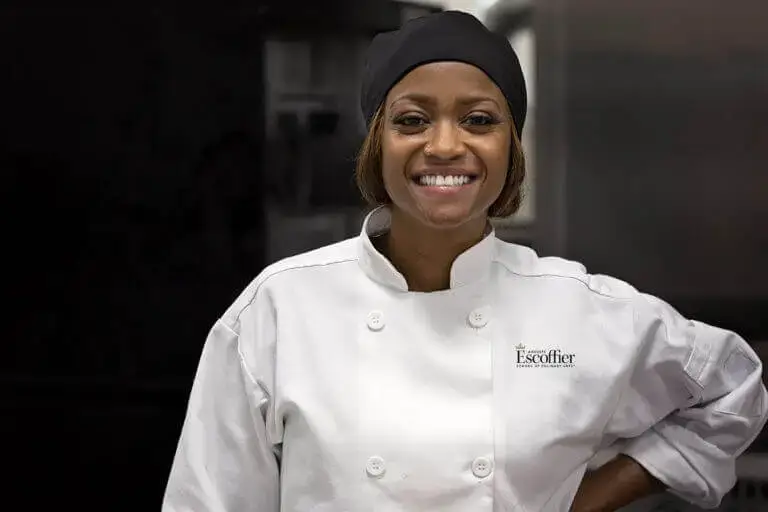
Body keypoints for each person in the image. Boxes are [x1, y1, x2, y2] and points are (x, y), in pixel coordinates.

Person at [162, 11, 768, 512]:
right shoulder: (278, 310)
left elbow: (732, 389)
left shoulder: (583, 312)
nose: (446, 145)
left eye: (479, 120)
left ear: (511, 147)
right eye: (412, 120)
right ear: (377, 143)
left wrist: (589, 501)